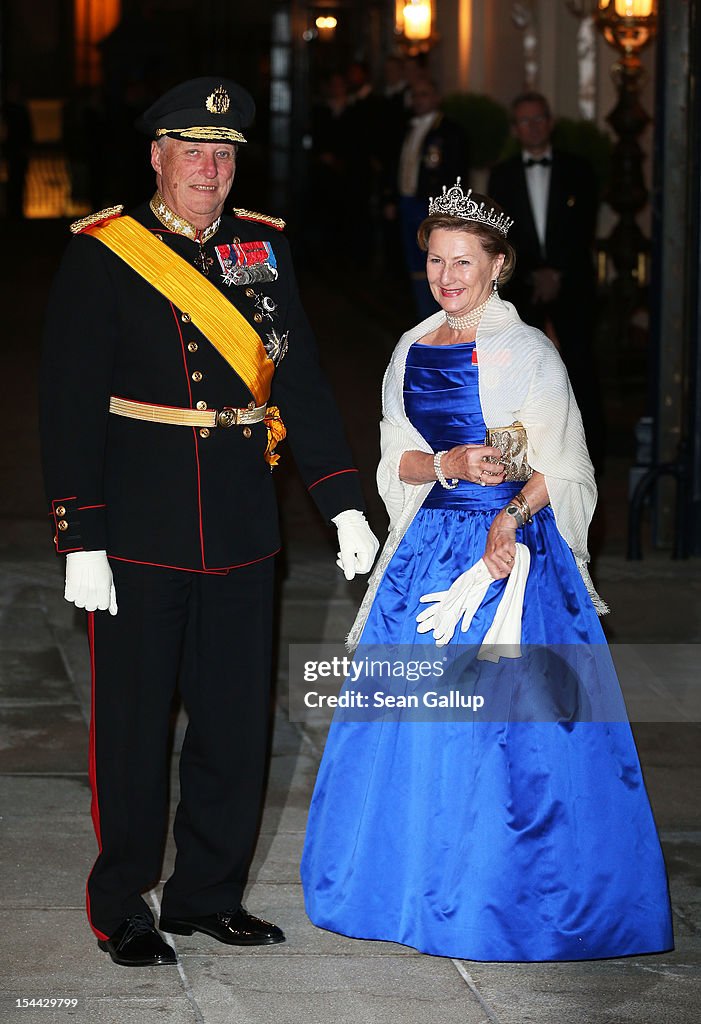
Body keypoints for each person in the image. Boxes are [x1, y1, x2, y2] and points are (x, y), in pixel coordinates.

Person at [39, 76, 378, 968]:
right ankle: (123, 904)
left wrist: (342, 498)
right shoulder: (104, 250)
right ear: (156, 157)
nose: (210, 170)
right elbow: (68, 403)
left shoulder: (262, 250)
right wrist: (81, 535)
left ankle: (206, 895)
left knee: (234, 723)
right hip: (139, 531)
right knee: (133, 729)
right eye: (192, 152)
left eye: (223, 155)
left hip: (239, 524)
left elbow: (297, 384)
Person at [301, 181, 673, 961]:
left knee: (503, 733)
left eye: (462, 262)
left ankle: (496, 899)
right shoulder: (409, 346)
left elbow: (565, 466)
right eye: (435, 260)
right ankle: (403, 889)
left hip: (509, 556)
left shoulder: (528, 351)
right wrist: (443, 461)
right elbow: (391, 457)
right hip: (427, 552)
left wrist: (509, 515)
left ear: (497, 265)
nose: (446, 276)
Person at [488, 91, 604, 471]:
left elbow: (582, 227)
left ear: (550, 122)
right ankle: (528, 462)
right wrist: (536, 272)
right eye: (525, 121)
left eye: (539, 119)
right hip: (524, 286)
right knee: (523, 372)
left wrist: (558, 273)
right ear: (514, 129)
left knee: (580, 366)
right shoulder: (501, 174)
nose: (533, 126)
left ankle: (588, 459)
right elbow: (504, 234)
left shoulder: (579, 169)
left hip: (572, 283)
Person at [383, 78, 467, 319]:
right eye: (416, 95)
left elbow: (456, 174)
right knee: (413, 263)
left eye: (425, 94)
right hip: (408, 202)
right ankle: (423, 316)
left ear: (437, 98)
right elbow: (395, 166)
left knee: (436, 262)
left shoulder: (450, 131)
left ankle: (442, 315)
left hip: (432, 207)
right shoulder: (405, 128)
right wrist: (391, 198)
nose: (419, 100)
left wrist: (448, 211)